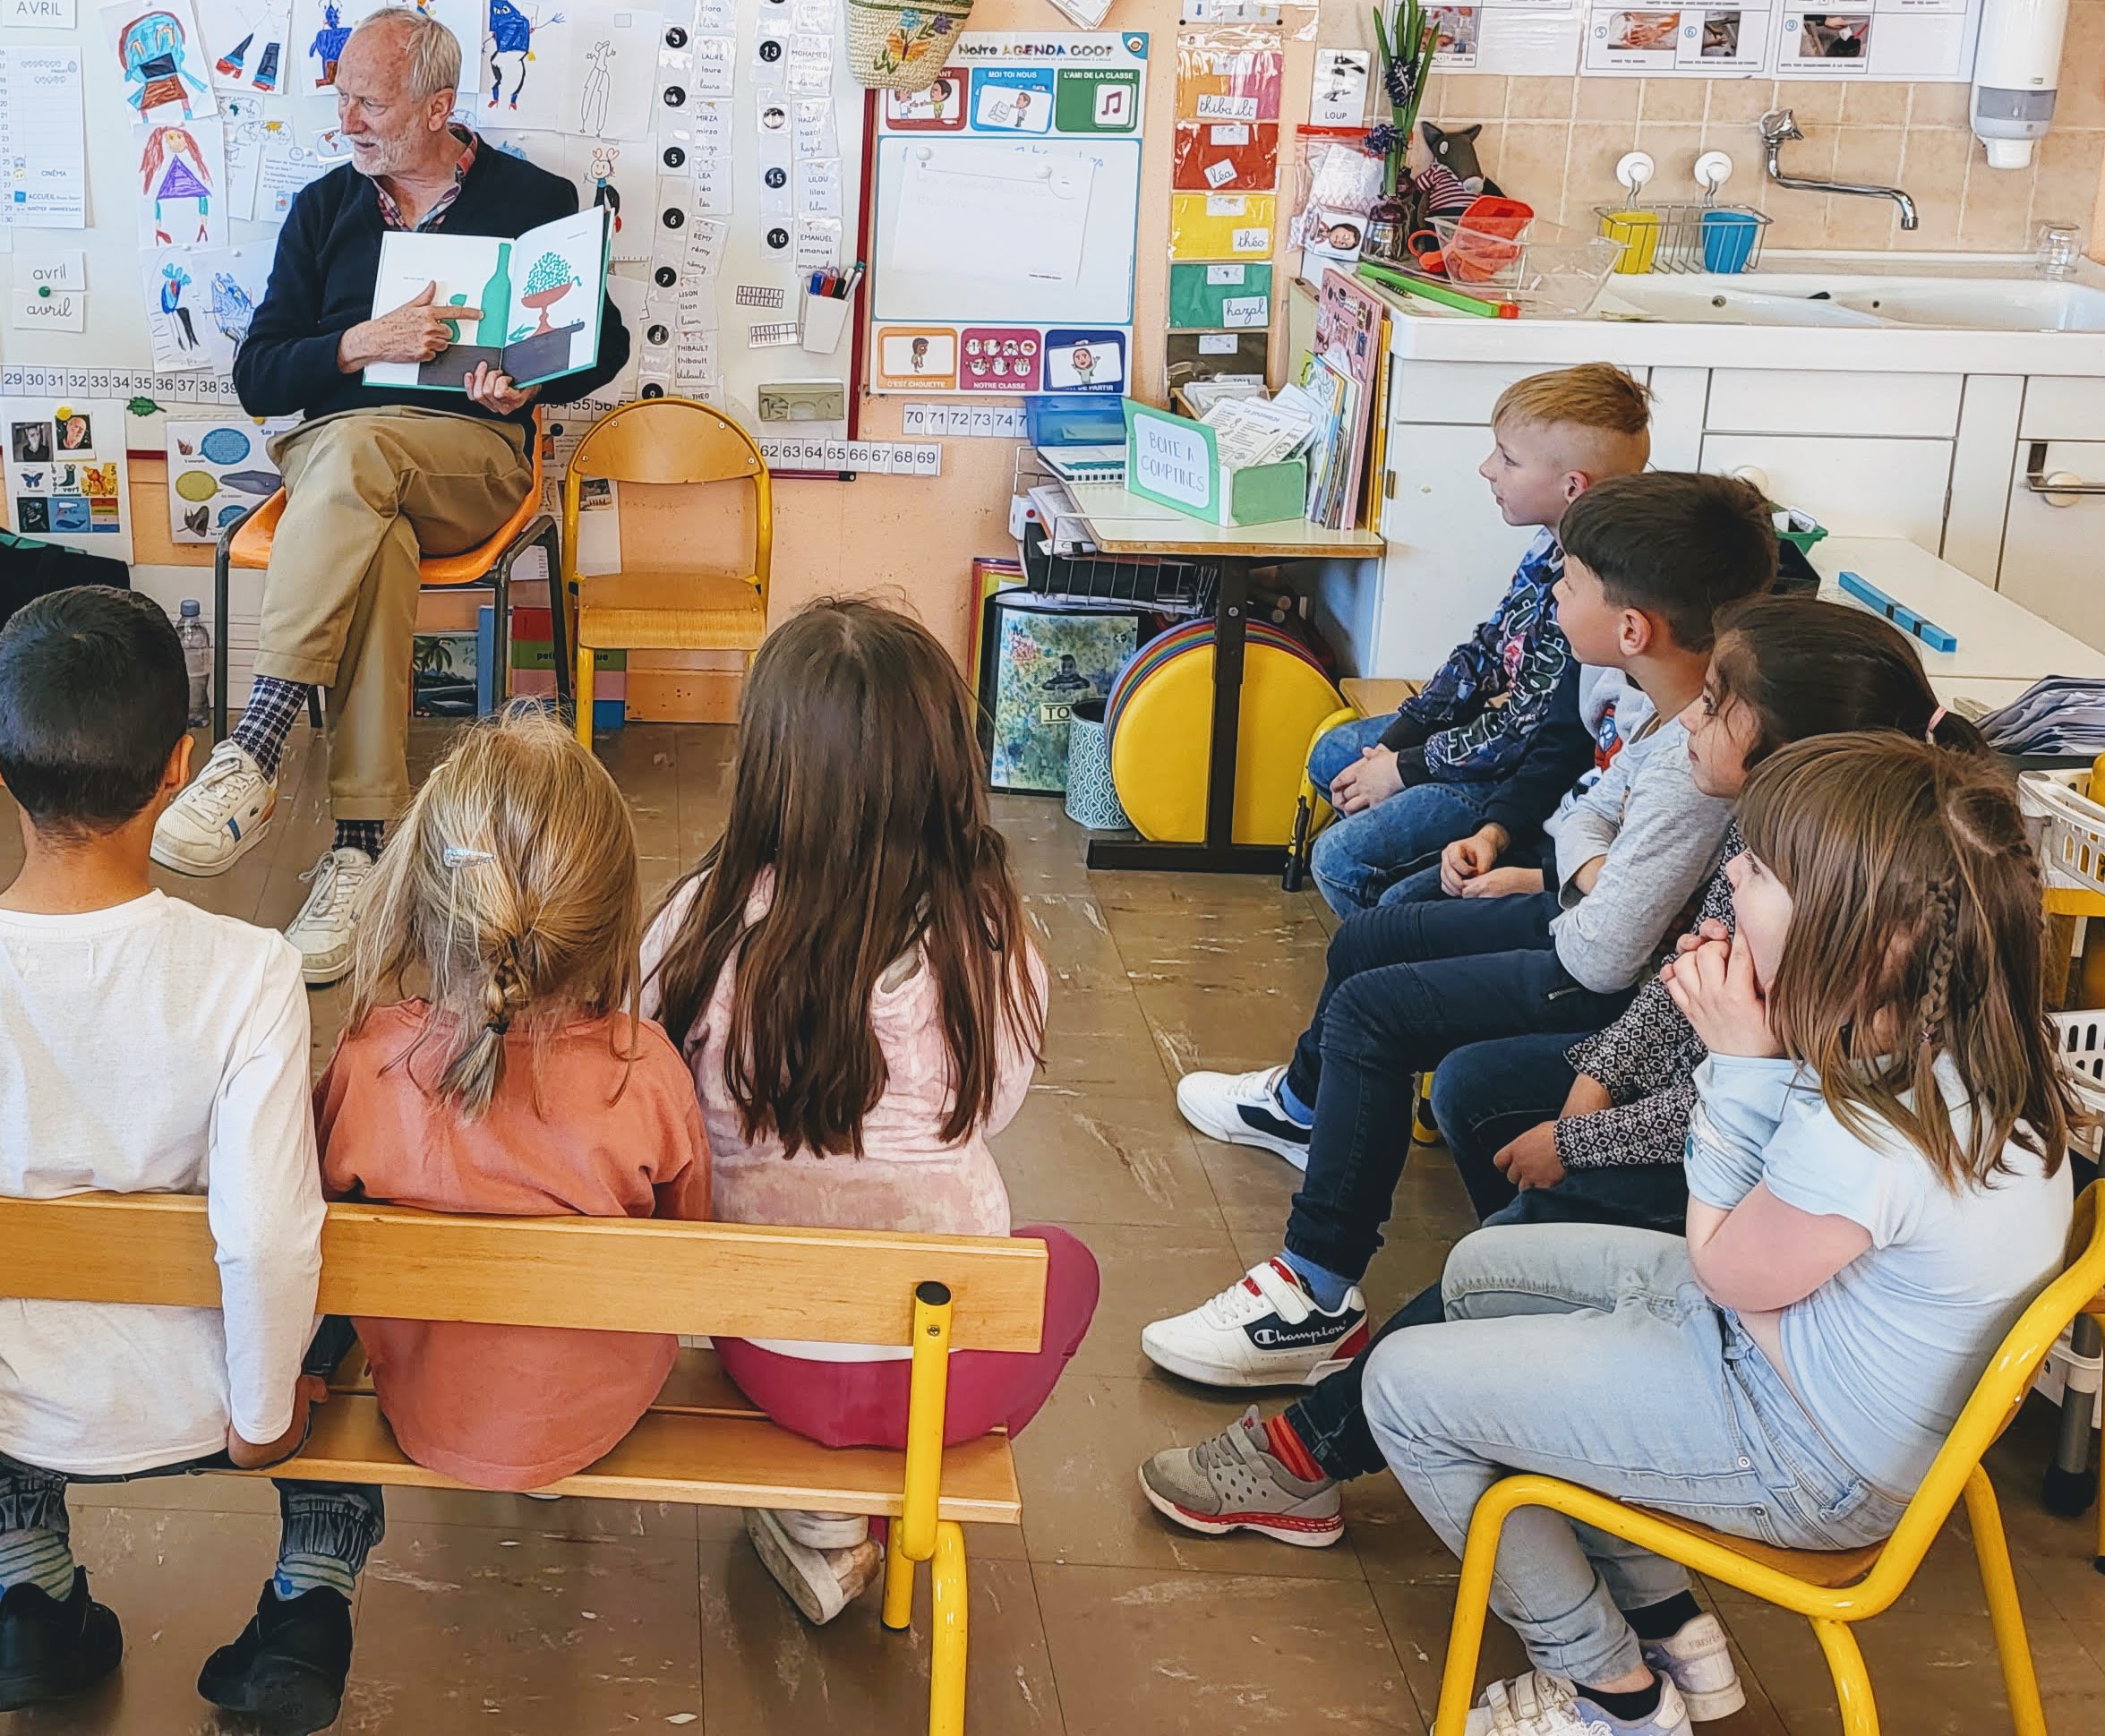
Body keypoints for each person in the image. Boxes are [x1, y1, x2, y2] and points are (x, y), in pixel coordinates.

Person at [1142, 599, 1979, 1565]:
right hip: (1730, 1166)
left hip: (1765, 1306)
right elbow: (1685, 983)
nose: (1689, 725)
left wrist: (1578, 1141)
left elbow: (1731, 1115)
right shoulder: (1792, 847)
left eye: (1713, 706)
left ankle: (1334, 1436)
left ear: (1782, 739)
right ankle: (1513, 1364)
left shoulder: (1840, 909)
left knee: (1530, 1223)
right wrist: (1597, 1077)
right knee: (1474, 1100)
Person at [1366, 735, 2084, 1736]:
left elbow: (1723, 1267)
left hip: (1801, 1449)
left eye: (1752, 870)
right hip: (1797, 1357)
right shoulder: (1943, 1041)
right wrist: (1749, 1055)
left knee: (1401, 1387)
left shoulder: (1875, 1135)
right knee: (1482, 1271)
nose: (1729, 880)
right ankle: (1673, 1632)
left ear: (1859, 936)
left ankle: (1608, 1691)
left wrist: (1737, 1063)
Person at [0, 588, 351, 1725]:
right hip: (215, 1405)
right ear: (178, 763)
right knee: (353, 1297)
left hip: (17, 1410)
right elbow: (264, 1236)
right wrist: (263, 1418)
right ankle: (309, 1597)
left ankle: (31, 1592)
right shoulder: (250, 968)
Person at [1154, 472, 1776, 1390]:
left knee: (1373, 1009)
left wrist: (1581, 875)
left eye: (1565, 584)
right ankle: (1301, 1111)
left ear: (1632, 626)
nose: (1552, 596)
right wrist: (1579, 870)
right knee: (1373, 938)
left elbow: (1605, 952)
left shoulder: (1691, 754)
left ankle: (1315, 1290)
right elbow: (1580, 822)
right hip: (1580, 923)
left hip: (1591, 967)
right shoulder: (1652, 700)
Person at [156, 4, 633, 988]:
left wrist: (531, 380)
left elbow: (607, 343)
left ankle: (256, 739)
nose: (347, 121)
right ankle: (362, 850)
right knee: (373, 527)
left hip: (472, 460)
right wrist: (355, 345)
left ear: (437, 108)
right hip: (341, 467)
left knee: (359, 459)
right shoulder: (325, 208)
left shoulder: (533, 198)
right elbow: (259, 380)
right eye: (340, 100)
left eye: (368, 102)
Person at [640, 599, 1097, 1625]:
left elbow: (651, 1086)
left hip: (764, 1348)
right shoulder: (988, 933)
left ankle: (819, 1512)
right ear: (945, 768)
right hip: (944, 1366)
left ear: (766, 767)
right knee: (1062, 1267)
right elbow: (999, 1101)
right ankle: (870, 1505)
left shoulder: (700, 925)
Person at [312, 714, 704, 1668]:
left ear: (420, 897)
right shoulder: (642, 1074)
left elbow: (319, 1226)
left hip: (423, 1406)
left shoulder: (371, 1064)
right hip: (598, 1410)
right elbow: (692, 1254)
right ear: (608, 915)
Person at [1307, 363, 1649, 916]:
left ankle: (1406, 921)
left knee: (1341, 859)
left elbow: (1529, 731)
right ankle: (1422, 859)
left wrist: (1405, 768)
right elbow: (1488, 650)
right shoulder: (1548, 542)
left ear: (1572, 488)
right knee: (1334, 757)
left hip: (1523, 776)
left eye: (1509, 459)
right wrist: (1401, 739)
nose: (1487, 468)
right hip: (1494, 745)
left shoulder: (1598, 594)